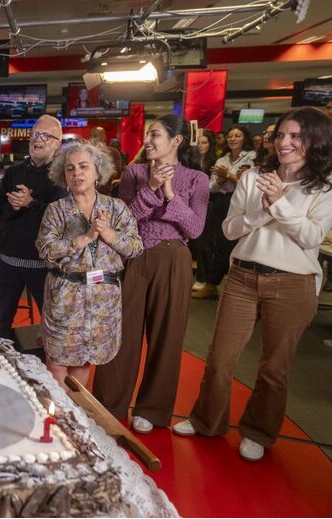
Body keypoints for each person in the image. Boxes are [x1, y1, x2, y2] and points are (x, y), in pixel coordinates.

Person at [172, 107, 332, 462]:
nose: (284, 142)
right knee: (219, 358)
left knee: (274, 367)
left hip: (293, 284)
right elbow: (230, 230)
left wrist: (280, 203)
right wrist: (262, 210)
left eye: (295, 136)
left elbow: (311, 238)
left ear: (316, 141)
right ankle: (205, 420)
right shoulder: (253, 177)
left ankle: (258, 431)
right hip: (243, 276)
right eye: (281, 136)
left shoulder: (324, 186)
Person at [93, 114, 209, 434]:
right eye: (146, 134)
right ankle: (108, 402)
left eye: (154, 134)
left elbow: (195, 228)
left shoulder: (197, 179)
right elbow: (124, 220)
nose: (147, 140)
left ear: (176, 141)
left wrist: (170, 194)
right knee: (121, 333)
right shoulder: (134, 172)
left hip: (174, 260)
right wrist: (153, 187)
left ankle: (152, 409)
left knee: (167, 336)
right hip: (133, 256)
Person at [37, 142, 143, 388]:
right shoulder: (56, 211)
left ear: (98, 172)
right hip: (64, 295)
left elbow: (136, 247)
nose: (77, 173)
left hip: (101, 300)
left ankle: (76, 417)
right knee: (56, 362)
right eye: (70, 169)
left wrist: (108, 234)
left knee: (84, 361)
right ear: (63, 176)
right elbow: (46, 251)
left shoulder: (117, 208)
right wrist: (82, 239)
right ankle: (60, 415)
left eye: (84, 166)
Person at [0, 115, 66, 343]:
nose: (37, 139)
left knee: (50, 322)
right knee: (2, 320)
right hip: (10, 260)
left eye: (45, 135)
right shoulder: (13, 173)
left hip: (44, 264)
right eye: (34, 134)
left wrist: (31, 204)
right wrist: (13, 207)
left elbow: (62, 220)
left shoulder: (63, 176)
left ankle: (49, 373)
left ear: (57, 143)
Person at [193, 125, 257, 300]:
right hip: (220, 201)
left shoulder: (252, 158)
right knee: (214, 241)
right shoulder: (222, 159)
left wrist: (229, 177)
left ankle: (218, 283)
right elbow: (211, 187)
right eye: (230, 136)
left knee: (230, 243)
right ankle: (210, 283)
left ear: (245, 138)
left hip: (240, 202)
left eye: (237, 135)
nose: (232, 139)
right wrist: (221, 179)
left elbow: (250, 187)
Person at [191, 129, 219, 290]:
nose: (201, 146)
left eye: (205, 142)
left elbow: (213, 186)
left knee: (205, 243)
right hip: (192, 203)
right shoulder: (192, 161)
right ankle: (196, 274)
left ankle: (204, 277)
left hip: (208, 204)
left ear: (211, 144)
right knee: (194, 242)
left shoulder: (214, 161)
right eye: (199, 142)